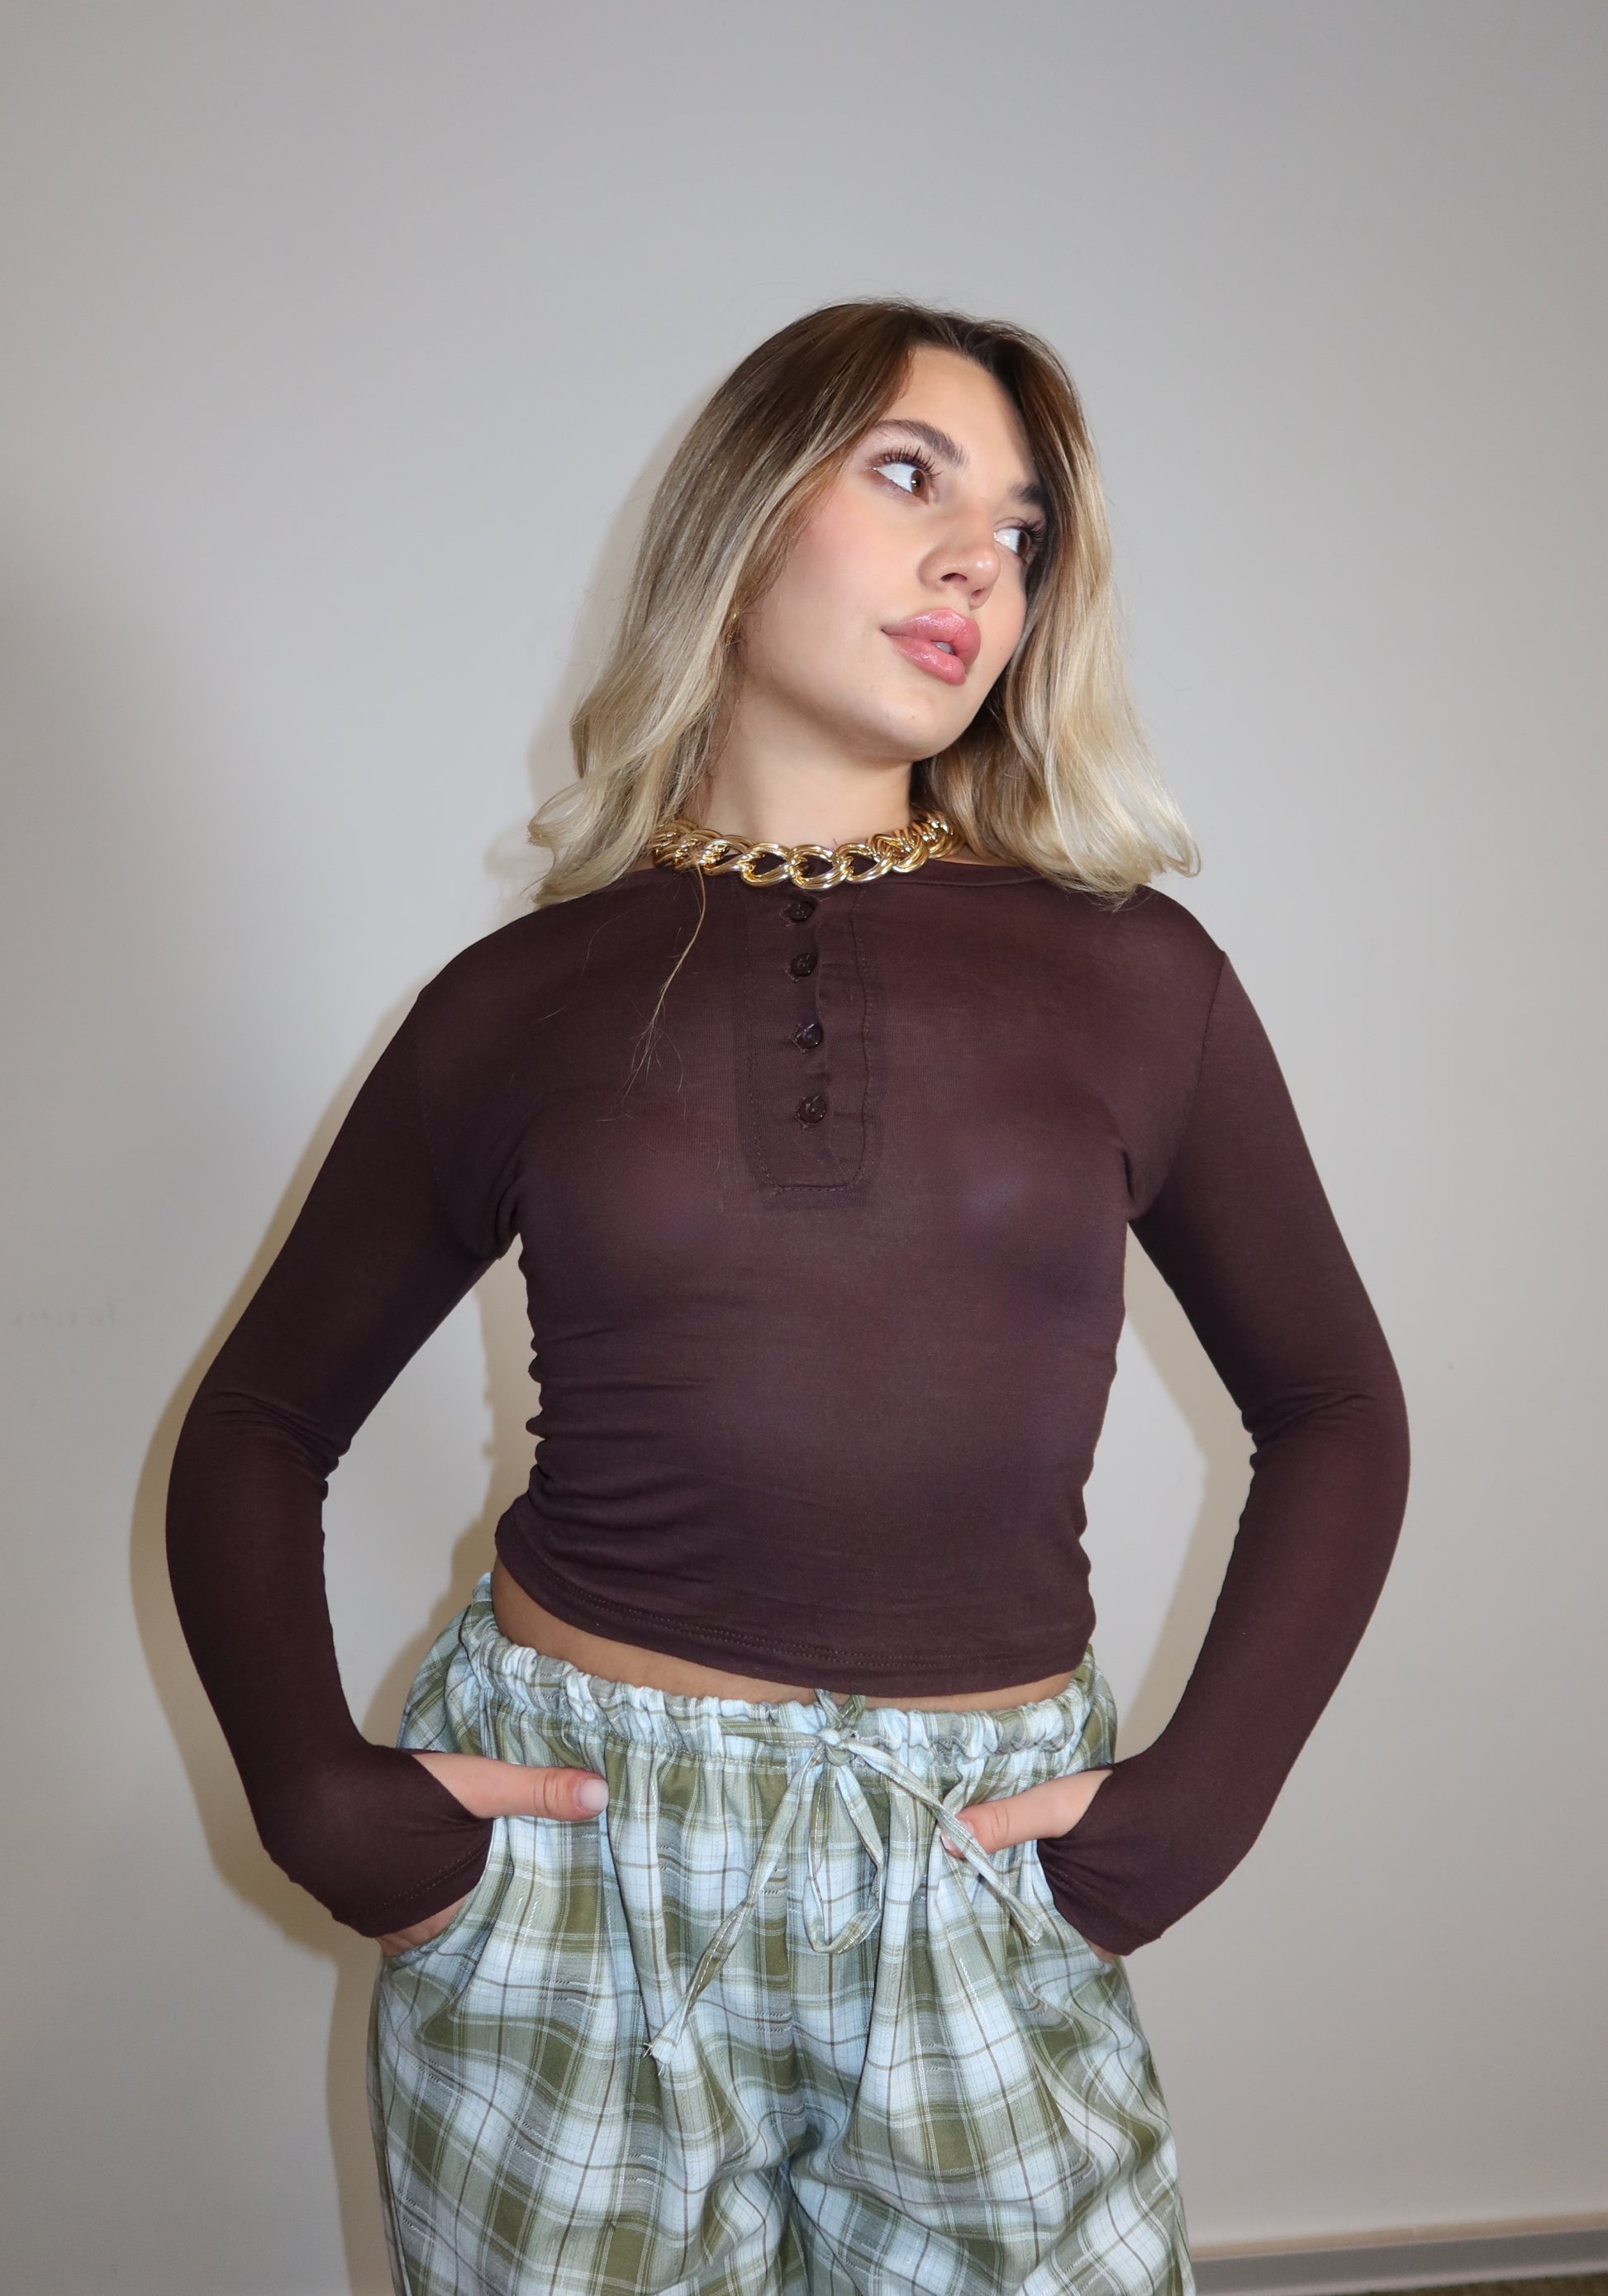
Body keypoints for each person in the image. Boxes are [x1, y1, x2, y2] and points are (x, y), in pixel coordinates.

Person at [166, 299, 1410, 2296]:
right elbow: (258, 1421)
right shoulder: (522, 996)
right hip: (576, 1866)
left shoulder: (1134, 975)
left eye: (1022, 533)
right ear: (740, 520)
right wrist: (322, 1796)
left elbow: (1335, 1403)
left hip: (973, 1850)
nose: (976, 562)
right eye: (911, 476)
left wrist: (1201, 1799)